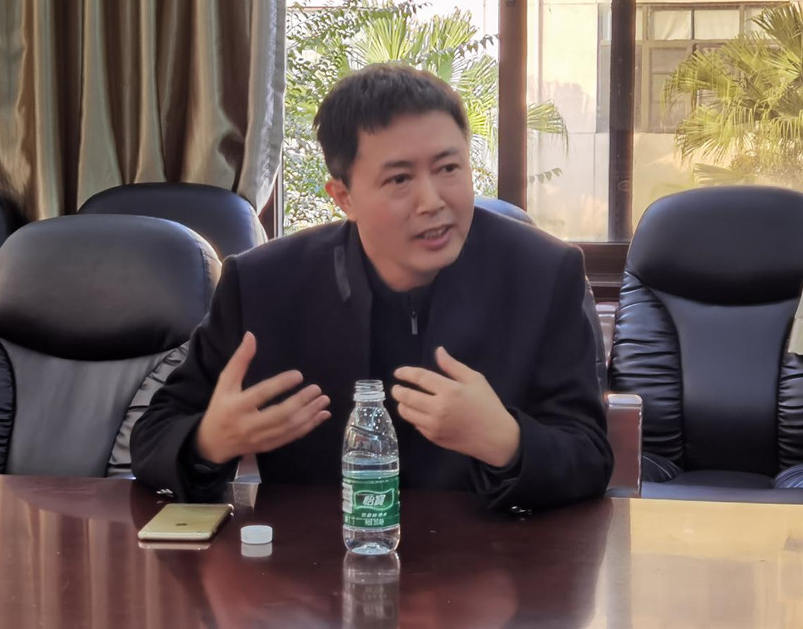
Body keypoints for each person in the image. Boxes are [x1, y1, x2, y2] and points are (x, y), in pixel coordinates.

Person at [130, 63, 612, 511]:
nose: (432, 201)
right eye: (399, 179)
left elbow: (590, 455)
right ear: (343, 196)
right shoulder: (262, 285)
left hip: (495, 558)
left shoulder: (543, 274)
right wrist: (210, 442)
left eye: (449, 168)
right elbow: (152, 437)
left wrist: (505, 440)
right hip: (313, 560)